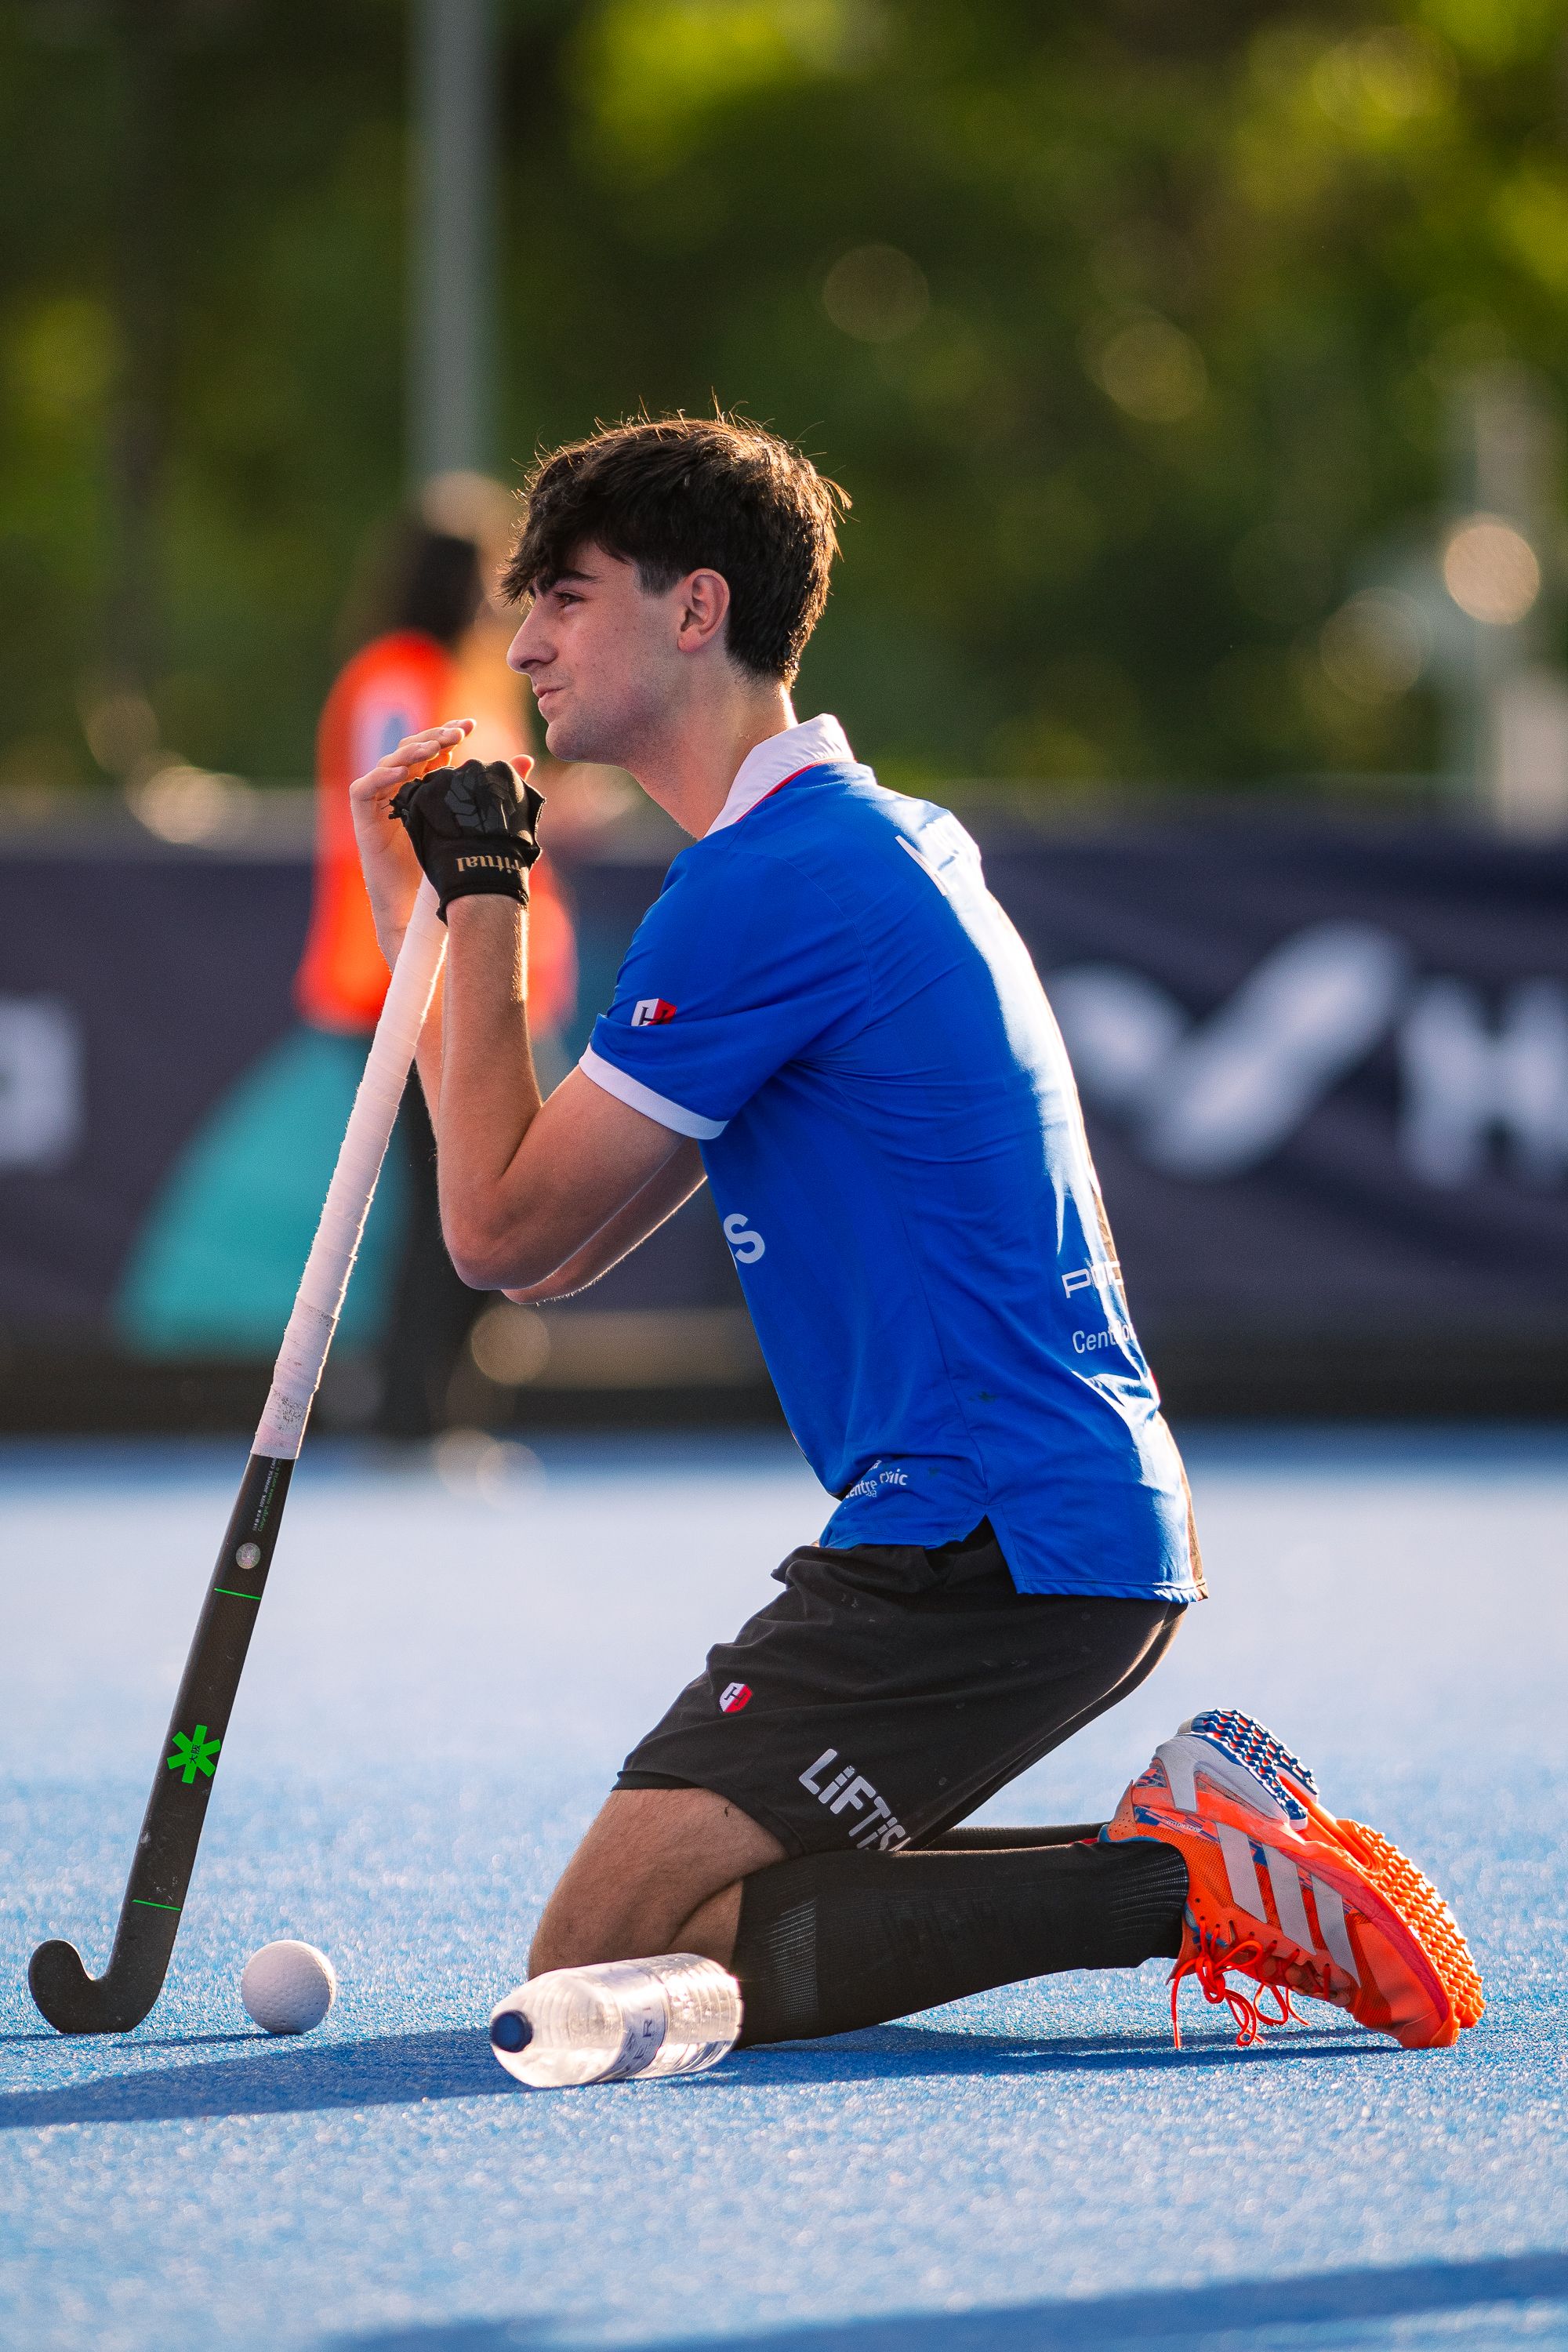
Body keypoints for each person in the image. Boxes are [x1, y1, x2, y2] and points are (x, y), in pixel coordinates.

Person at [347, 415, 1483, 2055]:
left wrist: (483, 901)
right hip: (1024, 1520)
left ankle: (1177, 1887)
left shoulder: (772, 887)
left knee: (599, 1953)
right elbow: (559, 1245)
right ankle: (1187, 1862)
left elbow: (499, 1235)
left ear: (693, 611)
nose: (521, 641)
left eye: (566, 596)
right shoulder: (853, 843)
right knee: (656, 1950)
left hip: (984, 1532)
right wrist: (446, 918)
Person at [296, 481, 575, 1435]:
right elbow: (401, 812)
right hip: (402, 981)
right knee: (449, 1203)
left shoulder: (469, 680)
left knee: (472, 1195)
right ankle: (411, 1411)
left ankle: (429, 1407)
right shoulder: (394, 674)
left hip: (485, 982)